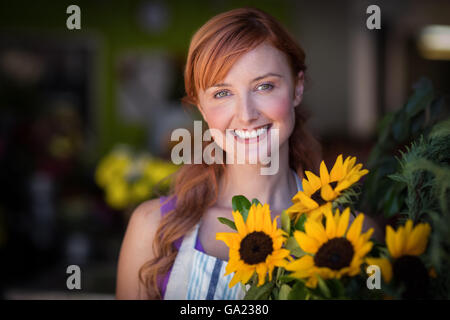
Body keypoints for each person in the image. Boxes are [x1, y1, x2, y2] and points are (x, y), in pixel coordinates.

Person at [116, 7, 324, 300]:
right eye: (222, 93)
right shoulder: (152, 229)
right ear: (201, 107)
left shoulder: (348, 236)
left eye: (264, 86)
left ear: (297, 88)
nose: (246, 114)